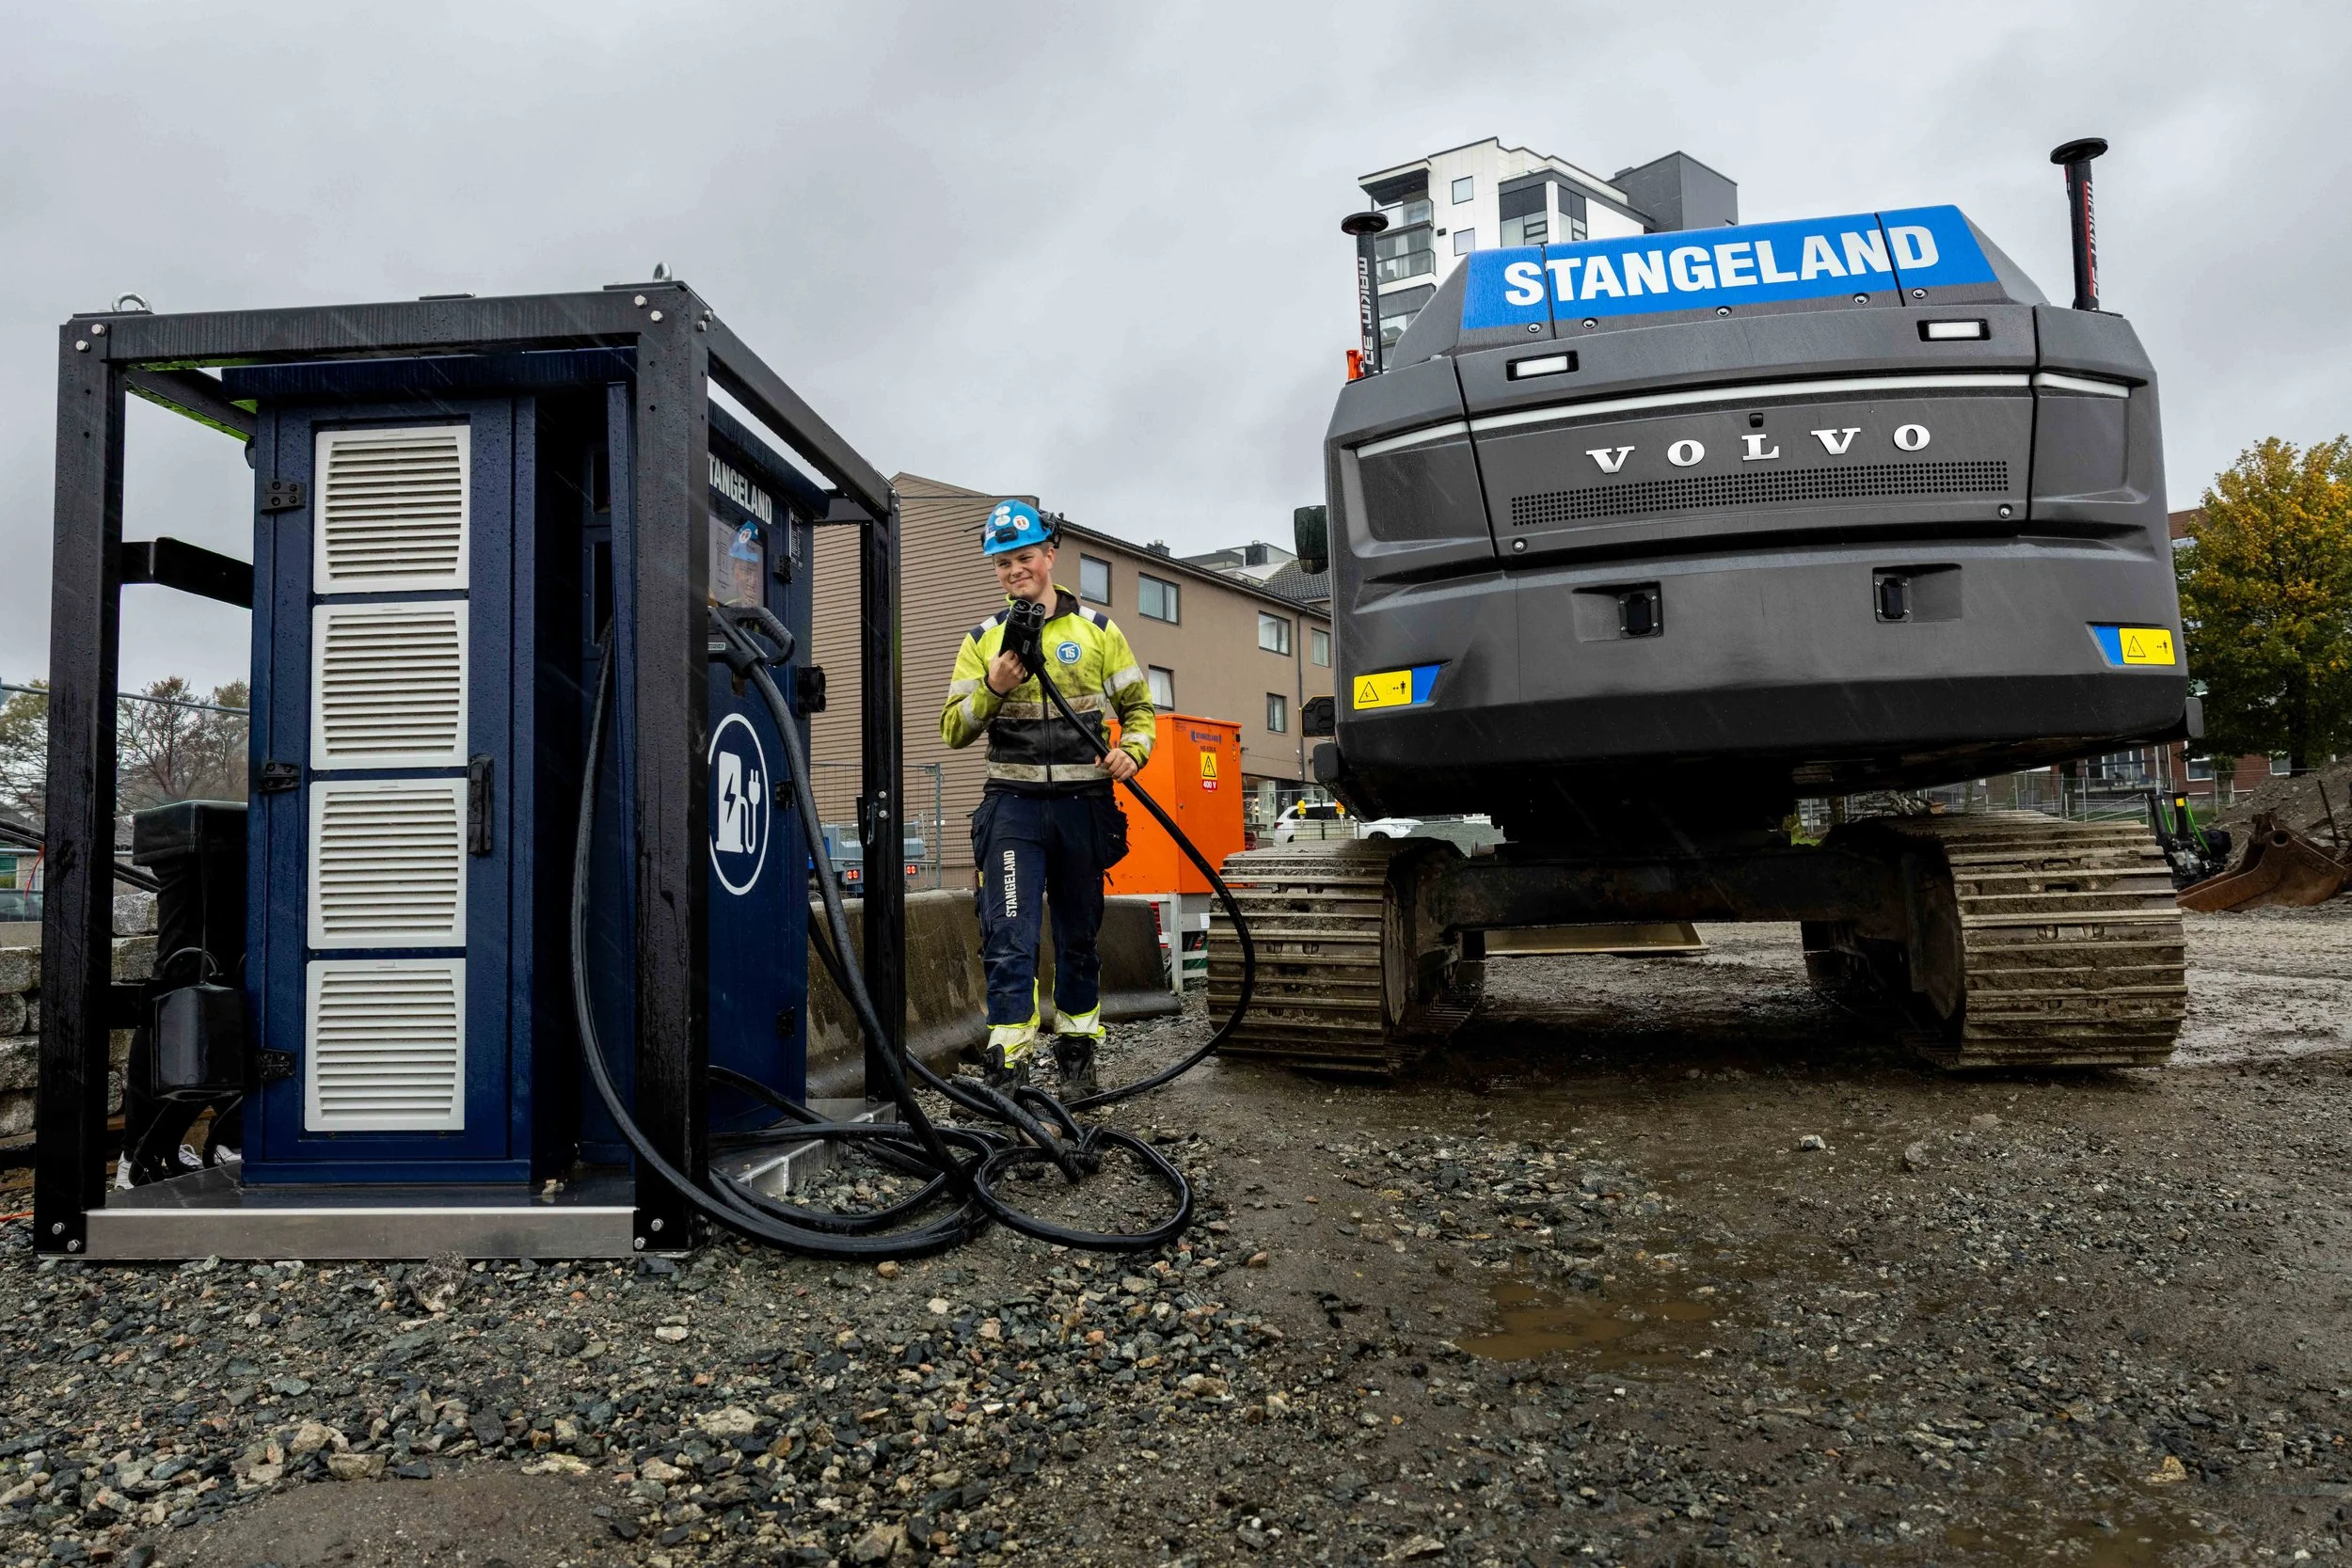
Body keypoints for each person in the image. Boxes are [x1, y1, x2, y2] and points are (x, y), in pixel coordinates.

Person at [941, 499, 1155, 1095]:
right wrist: (993, 687)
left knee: (1078, 937)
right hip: (1013, 807)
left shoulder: (1098, 633)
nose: (1015, 570)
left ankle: (1078, 1058)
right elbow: (953, 729)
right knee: (1008, 937)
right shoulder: (983, 641)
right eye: (1002, 562)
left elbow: (1139, 711)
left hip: (1083, 807)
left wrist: (1132, 753)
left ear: (1050, 556)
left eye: (1025, 557)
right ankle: (1007, 1068)